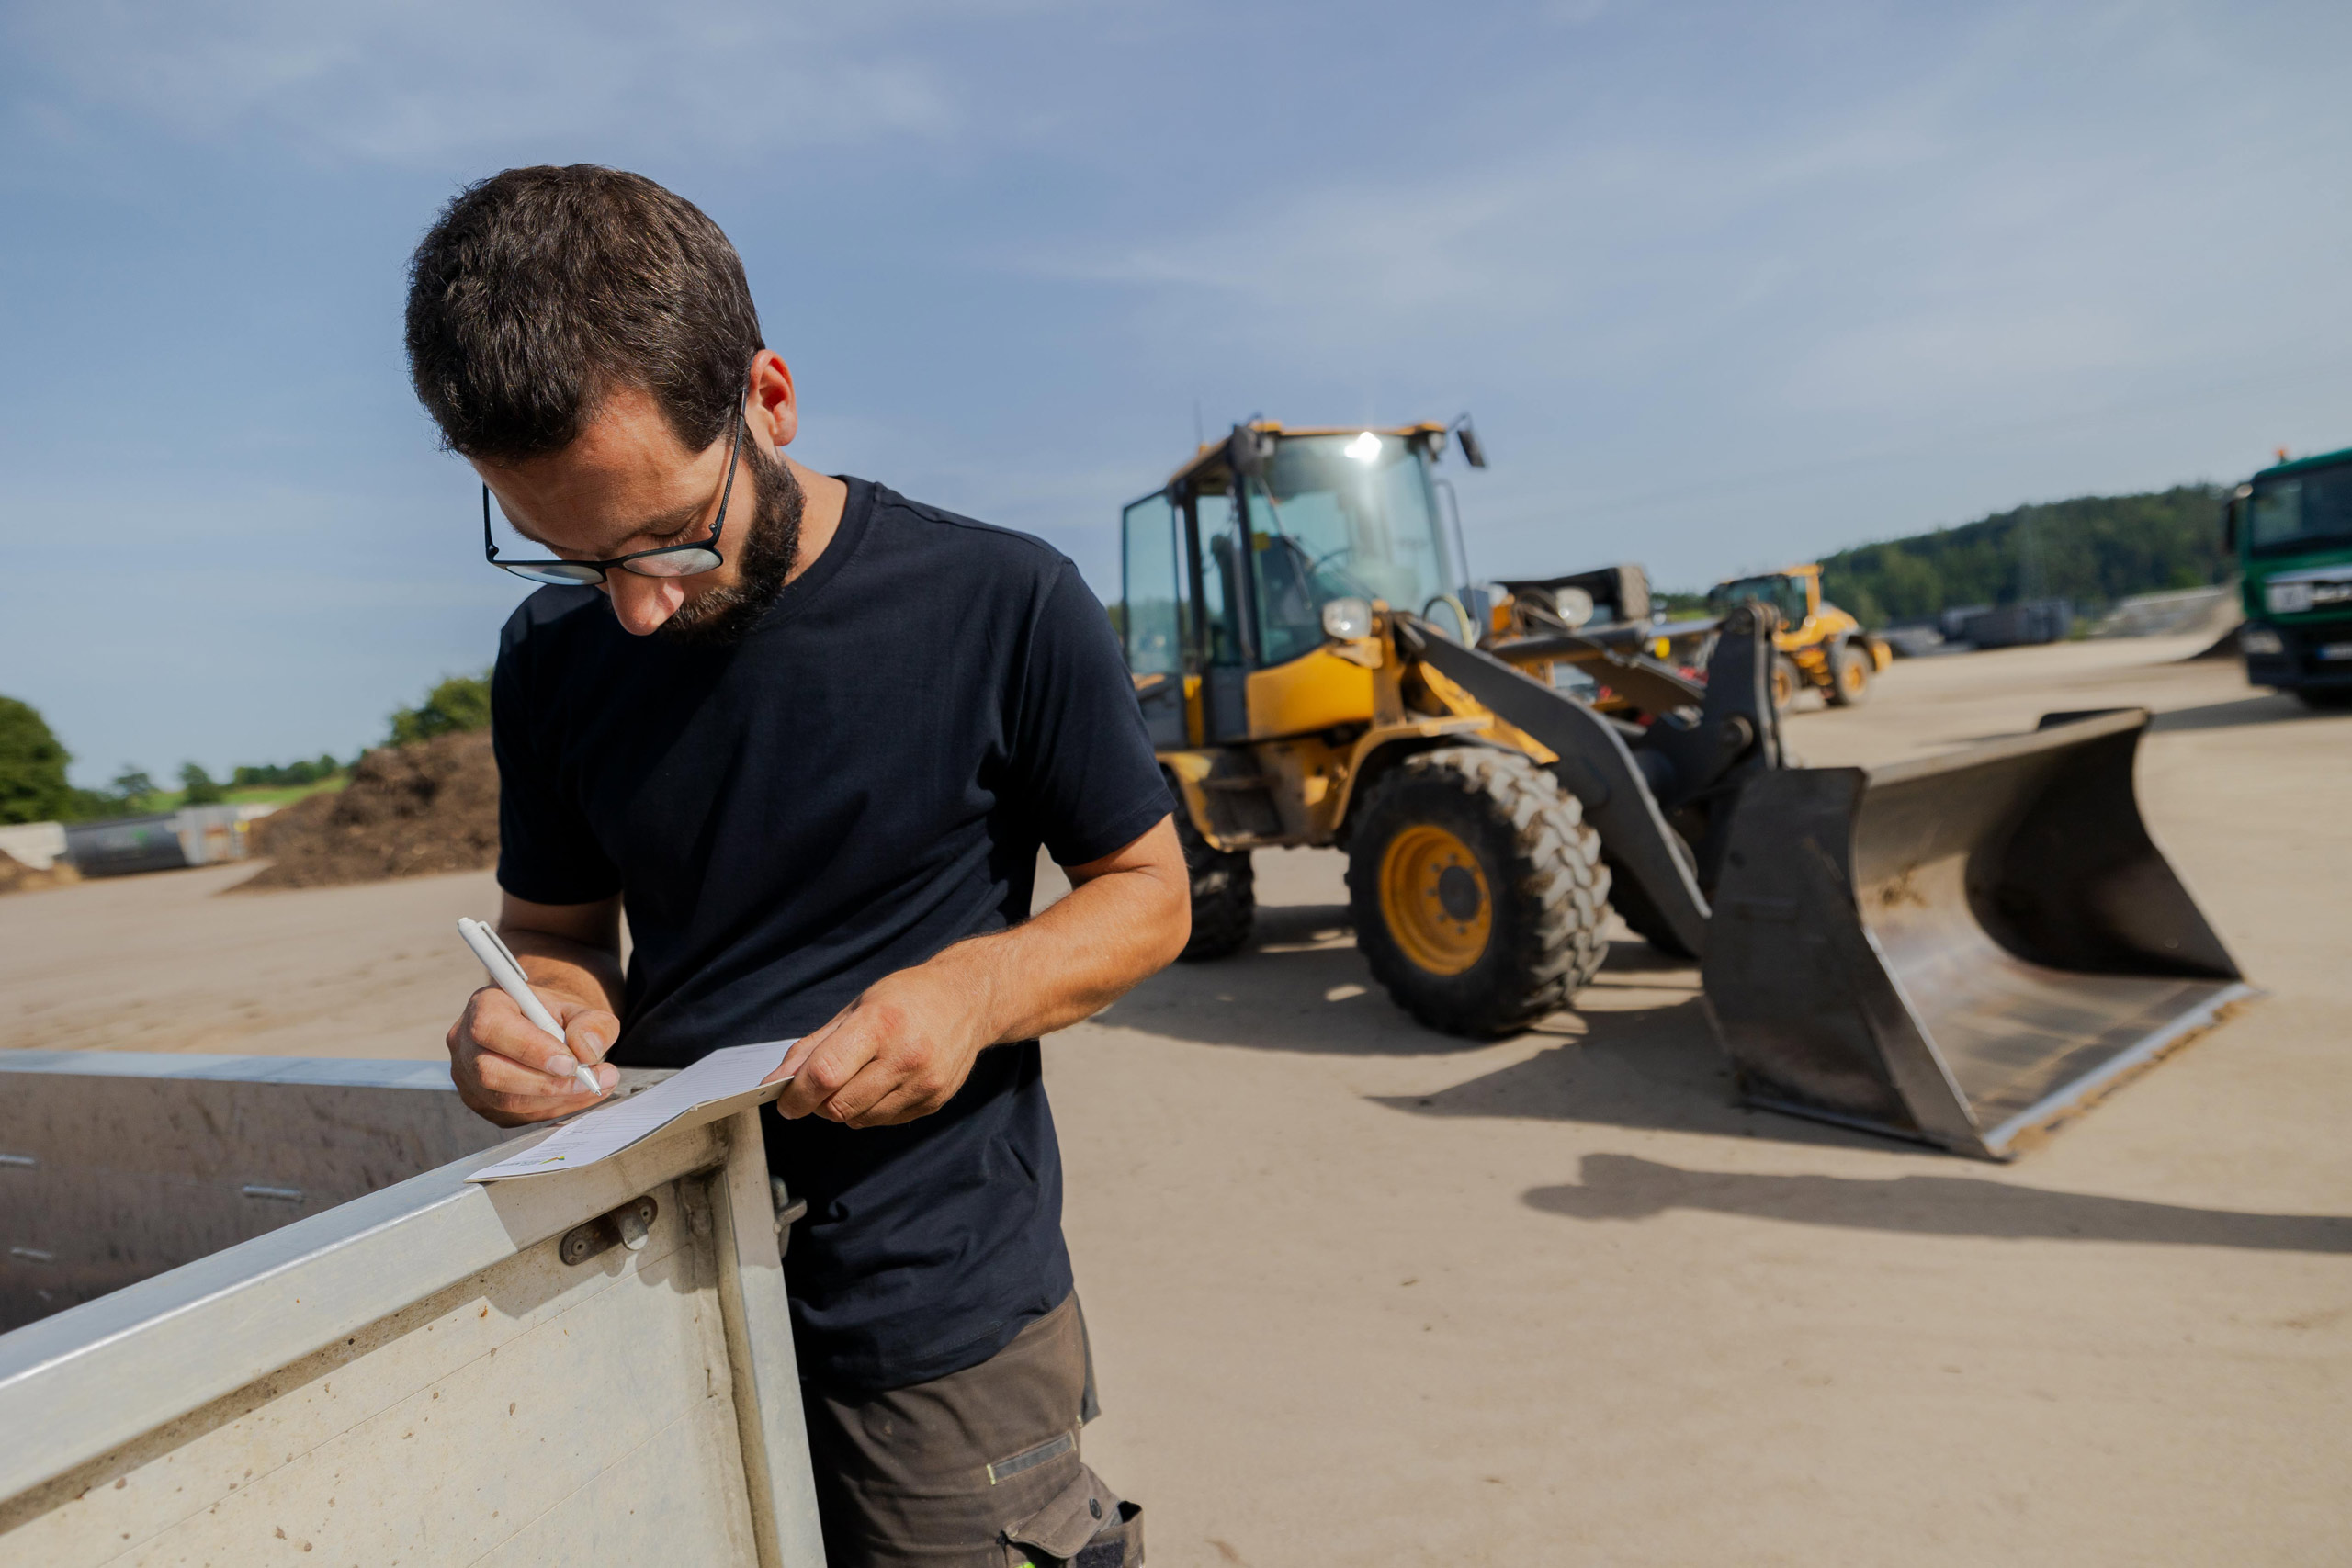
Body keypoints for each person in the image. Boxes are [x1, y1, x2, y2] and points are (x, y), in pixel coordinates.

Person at [406, 164, 1184, 1568]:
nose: (635, 612)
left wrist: (971, 991)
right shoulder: (551, 661)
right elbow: (560, 927)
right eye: (567, 560)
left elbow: (1148, 896)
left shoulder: (1003, 602)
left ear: (767, 397)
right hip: (661, 1286)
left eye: (667, 543)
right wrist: (541, 1012)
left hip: (936, 1321)